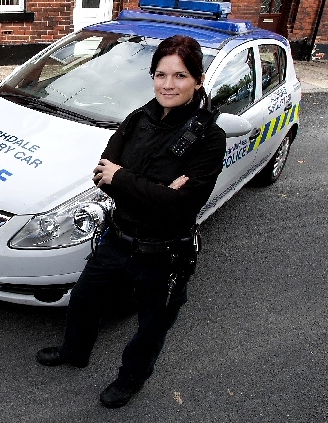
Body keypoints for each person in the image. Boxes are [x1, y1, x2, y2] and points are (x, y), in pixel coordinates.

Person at [36, 35, 227, 408]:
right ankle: (74, 352)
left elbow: (179, 208)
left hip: (165, 254)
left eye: (180, 76)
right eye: (160, 74)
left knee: (152, 326)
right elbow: (100, 174)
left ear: (198, 80)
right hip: (118, 237)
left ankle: (131, 379)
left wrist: (124, 178)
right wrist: (155, 189)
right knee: (84, 301)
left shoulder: (209, 137)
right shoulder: (139, 118)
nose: (167, 85)